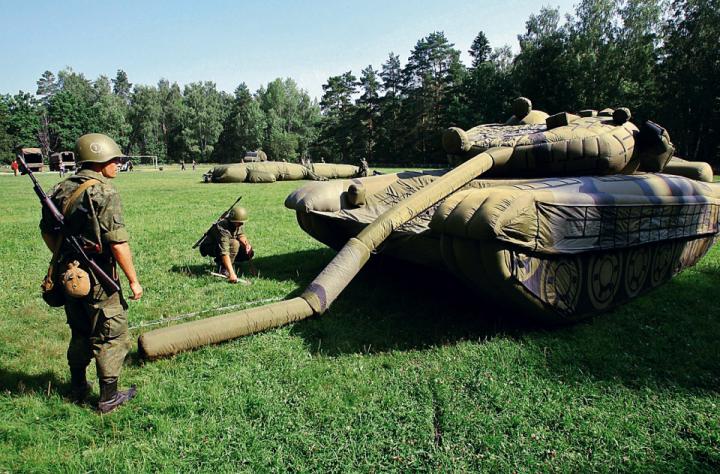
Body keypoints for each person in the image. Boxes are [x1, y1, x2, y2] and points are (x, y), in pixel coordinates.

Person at [39, 133, 142, 414]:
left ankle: (77, 386)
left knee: (80, 329)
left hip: (70, 275)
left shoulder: (60, 189)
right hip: (98, 276)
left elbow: (47, 231)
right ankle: (109, 397)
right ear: (99, 160)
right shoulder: (104, 192)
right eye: (114, 159)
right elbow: (117, 243)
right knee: (111, 333)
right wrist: (133, 280)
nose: (118, 164)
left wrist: (66, 257)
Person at [199, 205, 255, 283]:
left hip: (225, 245)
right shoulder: (222, 228)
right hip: (210, 246)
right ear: (233, 221)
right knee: (235, 244)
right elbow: (224, 251)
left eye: (242, 223)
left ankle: (231, 264)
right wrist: (231, 273)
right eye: (239, 223)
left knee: (245, 250)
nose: (241, 225)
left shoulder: (237, 223)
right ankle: (224, 269)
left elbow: (240, 234)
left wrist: (247, 245)